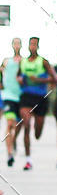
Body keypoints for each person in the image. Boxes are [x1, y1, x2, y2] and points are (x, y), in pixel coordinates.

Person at [19, 37, 57, 170]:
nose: (33, 46)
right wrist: (19, 79)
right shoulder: (23, 62)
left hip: (40, 98)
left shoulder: (43, 62)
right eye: (31, 44)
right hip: (26, 97)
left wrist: (39, 80)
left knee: (37, 134)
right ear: (28, 46)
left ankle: (37, 128)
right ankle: (28, 160)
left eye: (35, 44)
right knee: (26, 125)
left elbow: (55, 78)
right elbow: (18, 76)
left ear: (38, 46)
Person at [1, 37, 23, 166]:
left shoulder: (24, 61)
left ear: (21, 46)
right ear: (12, 45)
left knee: (18, 125)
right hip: (8, 96)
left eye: (18, 43)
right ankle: (9, 154)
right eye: (15, 43)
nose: (16, 45)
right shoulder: (6, 61)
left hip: (21, 97)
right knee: (10, 123)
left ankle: (14, 140)